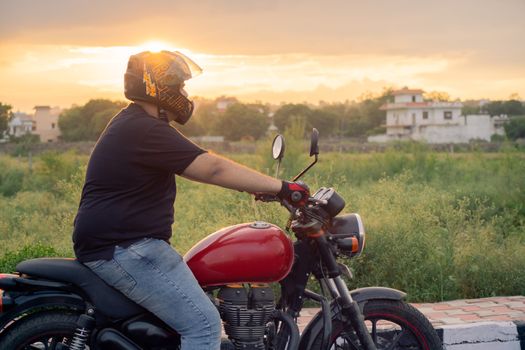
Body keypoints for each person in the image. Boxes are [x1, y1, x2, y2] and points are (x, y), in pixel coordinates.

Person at [72, 50, 310, 350]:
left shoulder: (135, 123)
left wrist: (256, 186)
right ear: (160, 87)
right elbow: (212, 167)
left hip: (121, 244)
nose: (185, 93)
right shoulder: (144, 129)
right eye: (180, 85)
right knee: (203, 324)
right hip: (125, 248)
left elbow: (203, 166)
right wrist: (283, 188)